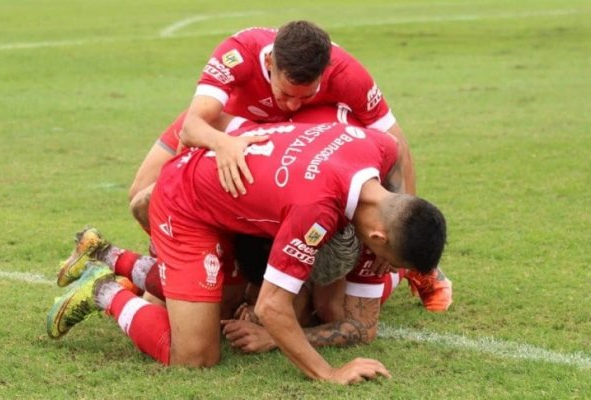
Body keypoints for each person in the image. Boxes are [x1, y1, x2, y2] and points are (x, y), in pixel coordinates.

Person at [47, 120, 446, 385]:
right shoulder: (316, 212)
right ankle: (102, 290)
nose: (379, 265)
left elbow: (394, 150)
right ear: (377, 236)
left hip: (230, 200)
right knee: (195, 354)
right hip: (186, 203)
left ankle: (112, 256)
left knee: (226, 307)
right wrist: (329, 373)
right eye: (388, 259)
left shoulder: (369, 144)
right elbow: (274, 307)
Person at [128, 20, 415, 229]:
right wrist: (223, 143)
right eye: (286, 94)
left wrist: (403, 220)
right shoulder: (239, 52)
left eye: (306, 96)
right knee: (140, 195)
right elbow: (193, 126)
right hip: (224, 122)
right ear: (268, 63)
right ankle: (168, 259)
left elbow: (396, 142)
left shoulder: (345, 73)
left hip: (287, 138)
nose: (292, 105)